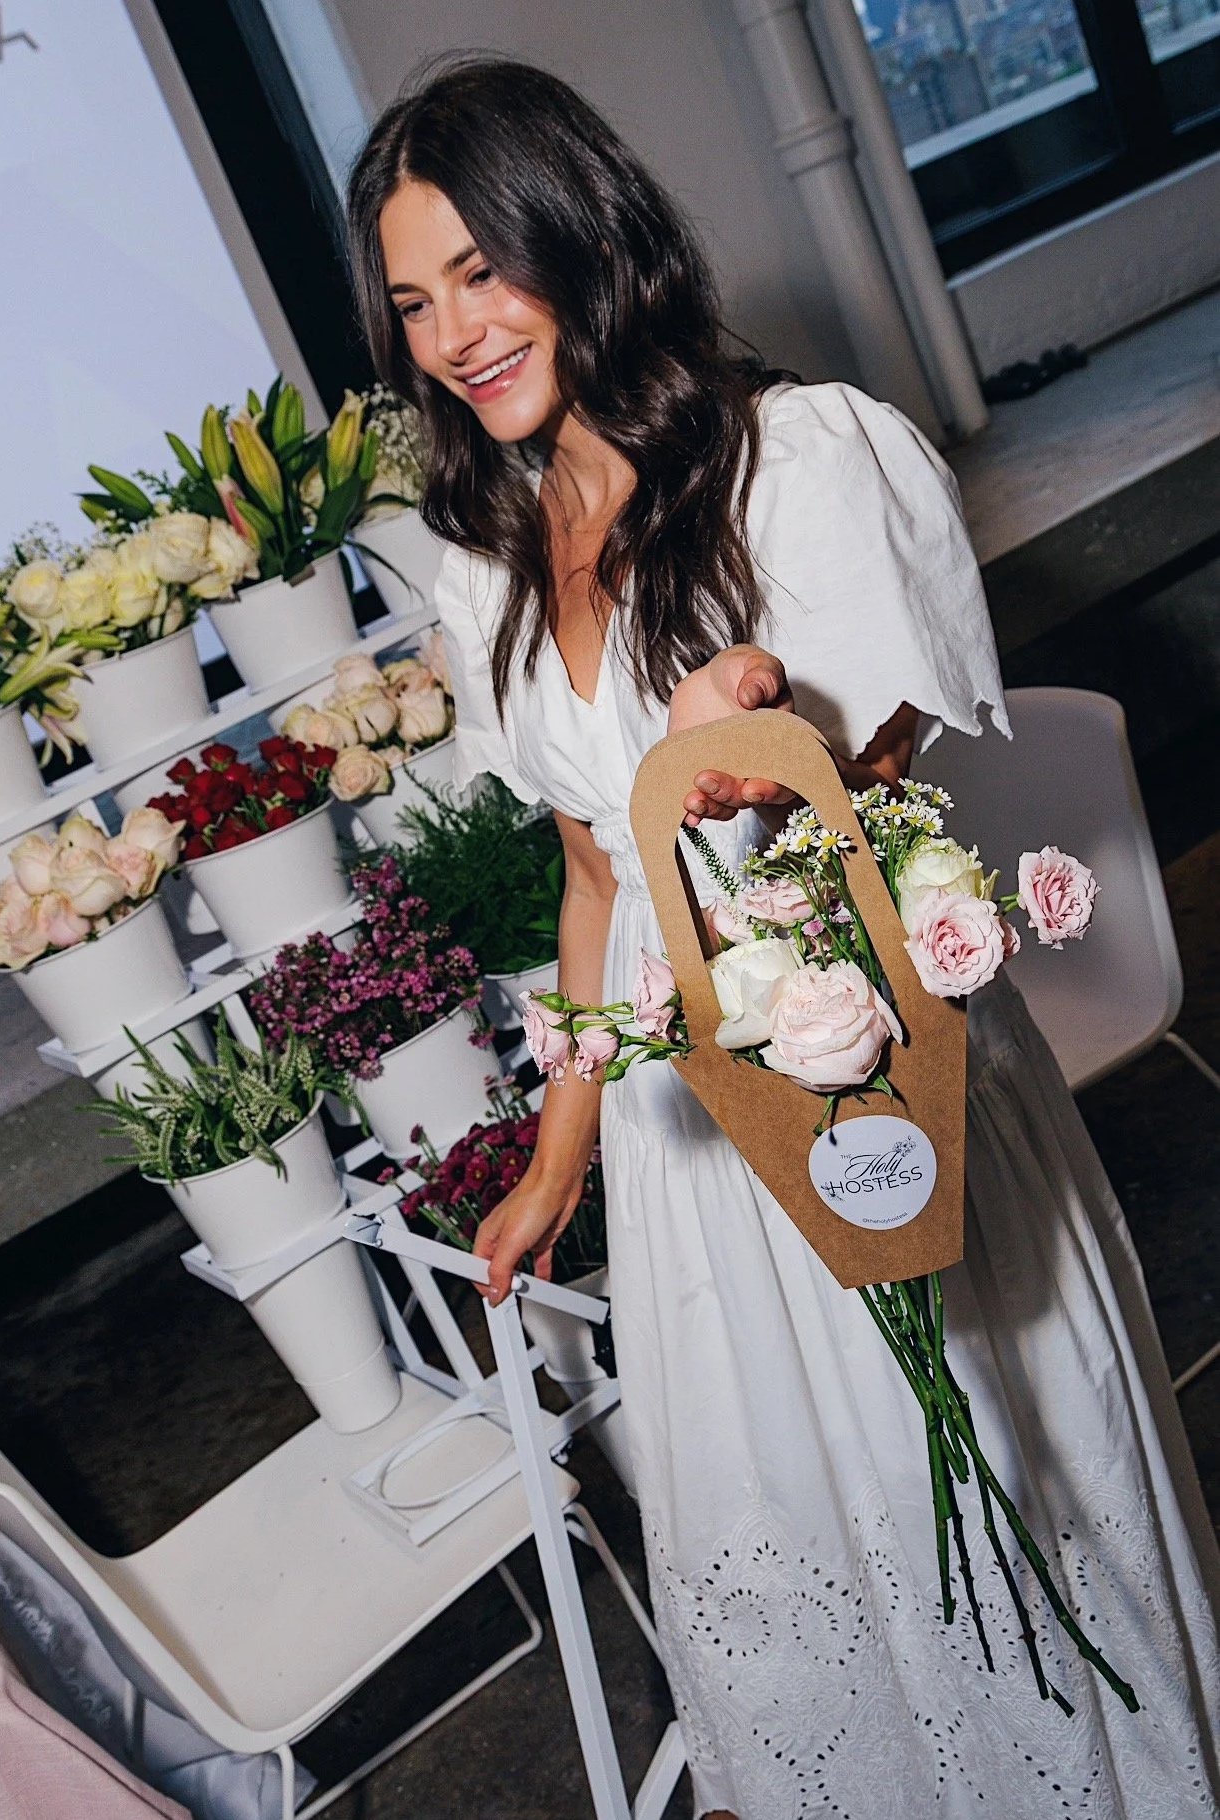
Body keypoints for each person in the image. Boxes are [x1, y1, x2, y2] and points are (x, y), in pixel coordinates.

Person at [347, 57, 1220, 1820]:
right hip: (693, 1146)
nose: (454, 334)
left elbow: (898, 821)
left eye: (482, 273)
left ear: (577, 241)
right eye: (414, 300)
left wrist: (762, 751)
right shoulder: (483, 565)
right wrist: (558, 1153)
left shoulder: (796, 462)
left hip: (869, 1077)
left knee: (980, 1492)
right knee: (806, 1536)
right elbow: (598, 884)